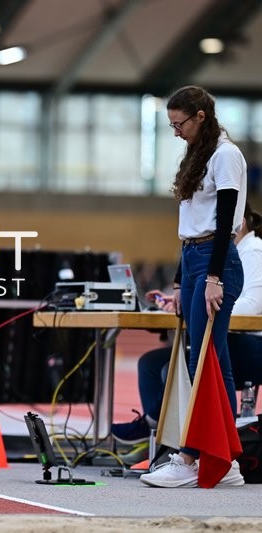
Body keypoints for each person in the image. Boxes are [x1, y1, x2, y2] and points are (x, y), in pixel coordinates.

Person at [139, 86, 247, 489]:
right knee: (204, 360)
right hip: (193, 259)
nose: (175, 131)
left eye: (179, 123)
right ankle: (226, 459)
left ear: (200, 116)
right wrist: (181, 282)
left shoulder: (225, 156)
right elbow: (188, 228)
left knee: (208, 362)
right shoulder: (197, 156)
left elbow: (222, 225)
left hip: (215, 261)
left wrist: (214, 277)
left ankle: (193, 457)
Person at [113, 202, 262, 450]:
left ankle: (173, 435)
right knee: (150, 364)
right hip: (230, 337)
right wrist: (184, 301)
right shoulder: (226, 254)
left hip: (253, 345)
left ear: (240, 222)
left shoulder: (254, 251)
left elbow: (253, 305)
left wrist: (203, 306)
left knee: (171, 370)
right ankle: (156, 431)